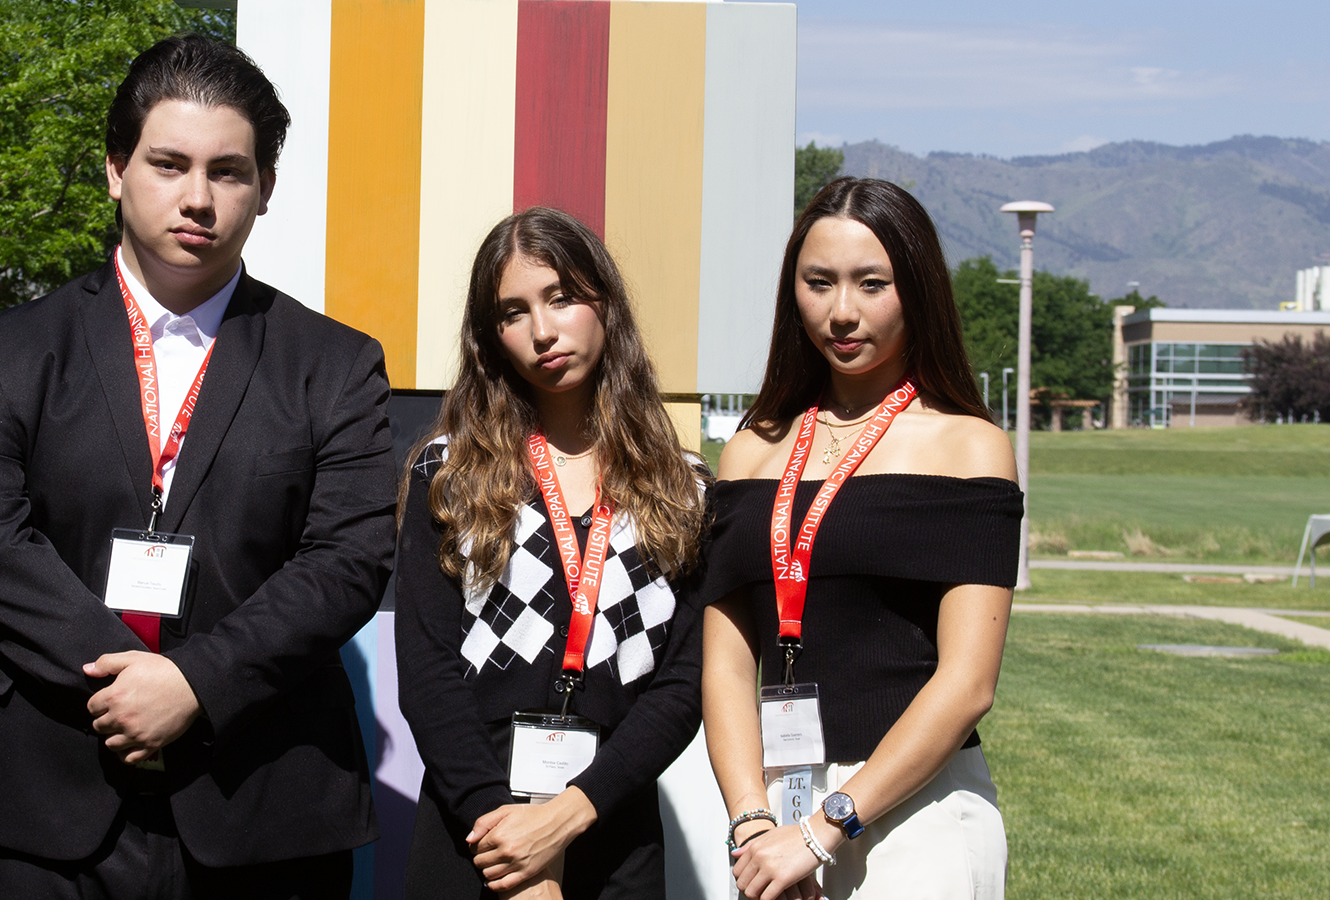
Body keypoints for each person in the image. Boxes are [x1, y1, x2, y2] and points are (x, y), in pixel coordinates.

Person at [0, 34, 395, 899]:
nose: (197, 198)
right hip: (30, 798)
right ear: (115, 171)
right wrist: (133, 682)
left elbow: (348, 559)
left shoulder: (335, 364)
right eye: (168, 164)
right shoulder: (10, 349)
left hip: (257, 798)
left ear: (266, 189)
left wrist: (195, 684)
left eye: (228, 171)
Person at [701, 177, 1022, 900]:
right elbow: (724, 664)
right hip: (773, 815)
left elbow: (968, 685)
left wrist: (823, 829)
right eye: (819, 283)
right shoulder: (751, 449)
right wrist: (753, 822)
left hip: (920, 817)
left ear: (917, 291)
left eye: (871, 284)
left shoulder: (969, 448)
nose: (842, 312)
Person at [394, 207, 708, 899]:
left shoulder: (683, 490)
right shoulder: (450, 476)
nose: (541, 331)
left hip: (612, 827)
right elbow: (426, 675)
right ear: (490, 337)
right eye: (513, 312)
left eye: (561, 298)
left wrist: (569, 816)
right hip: (472, 835)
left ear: (605, 304)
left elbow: (682, 690)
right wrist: (507, 840)